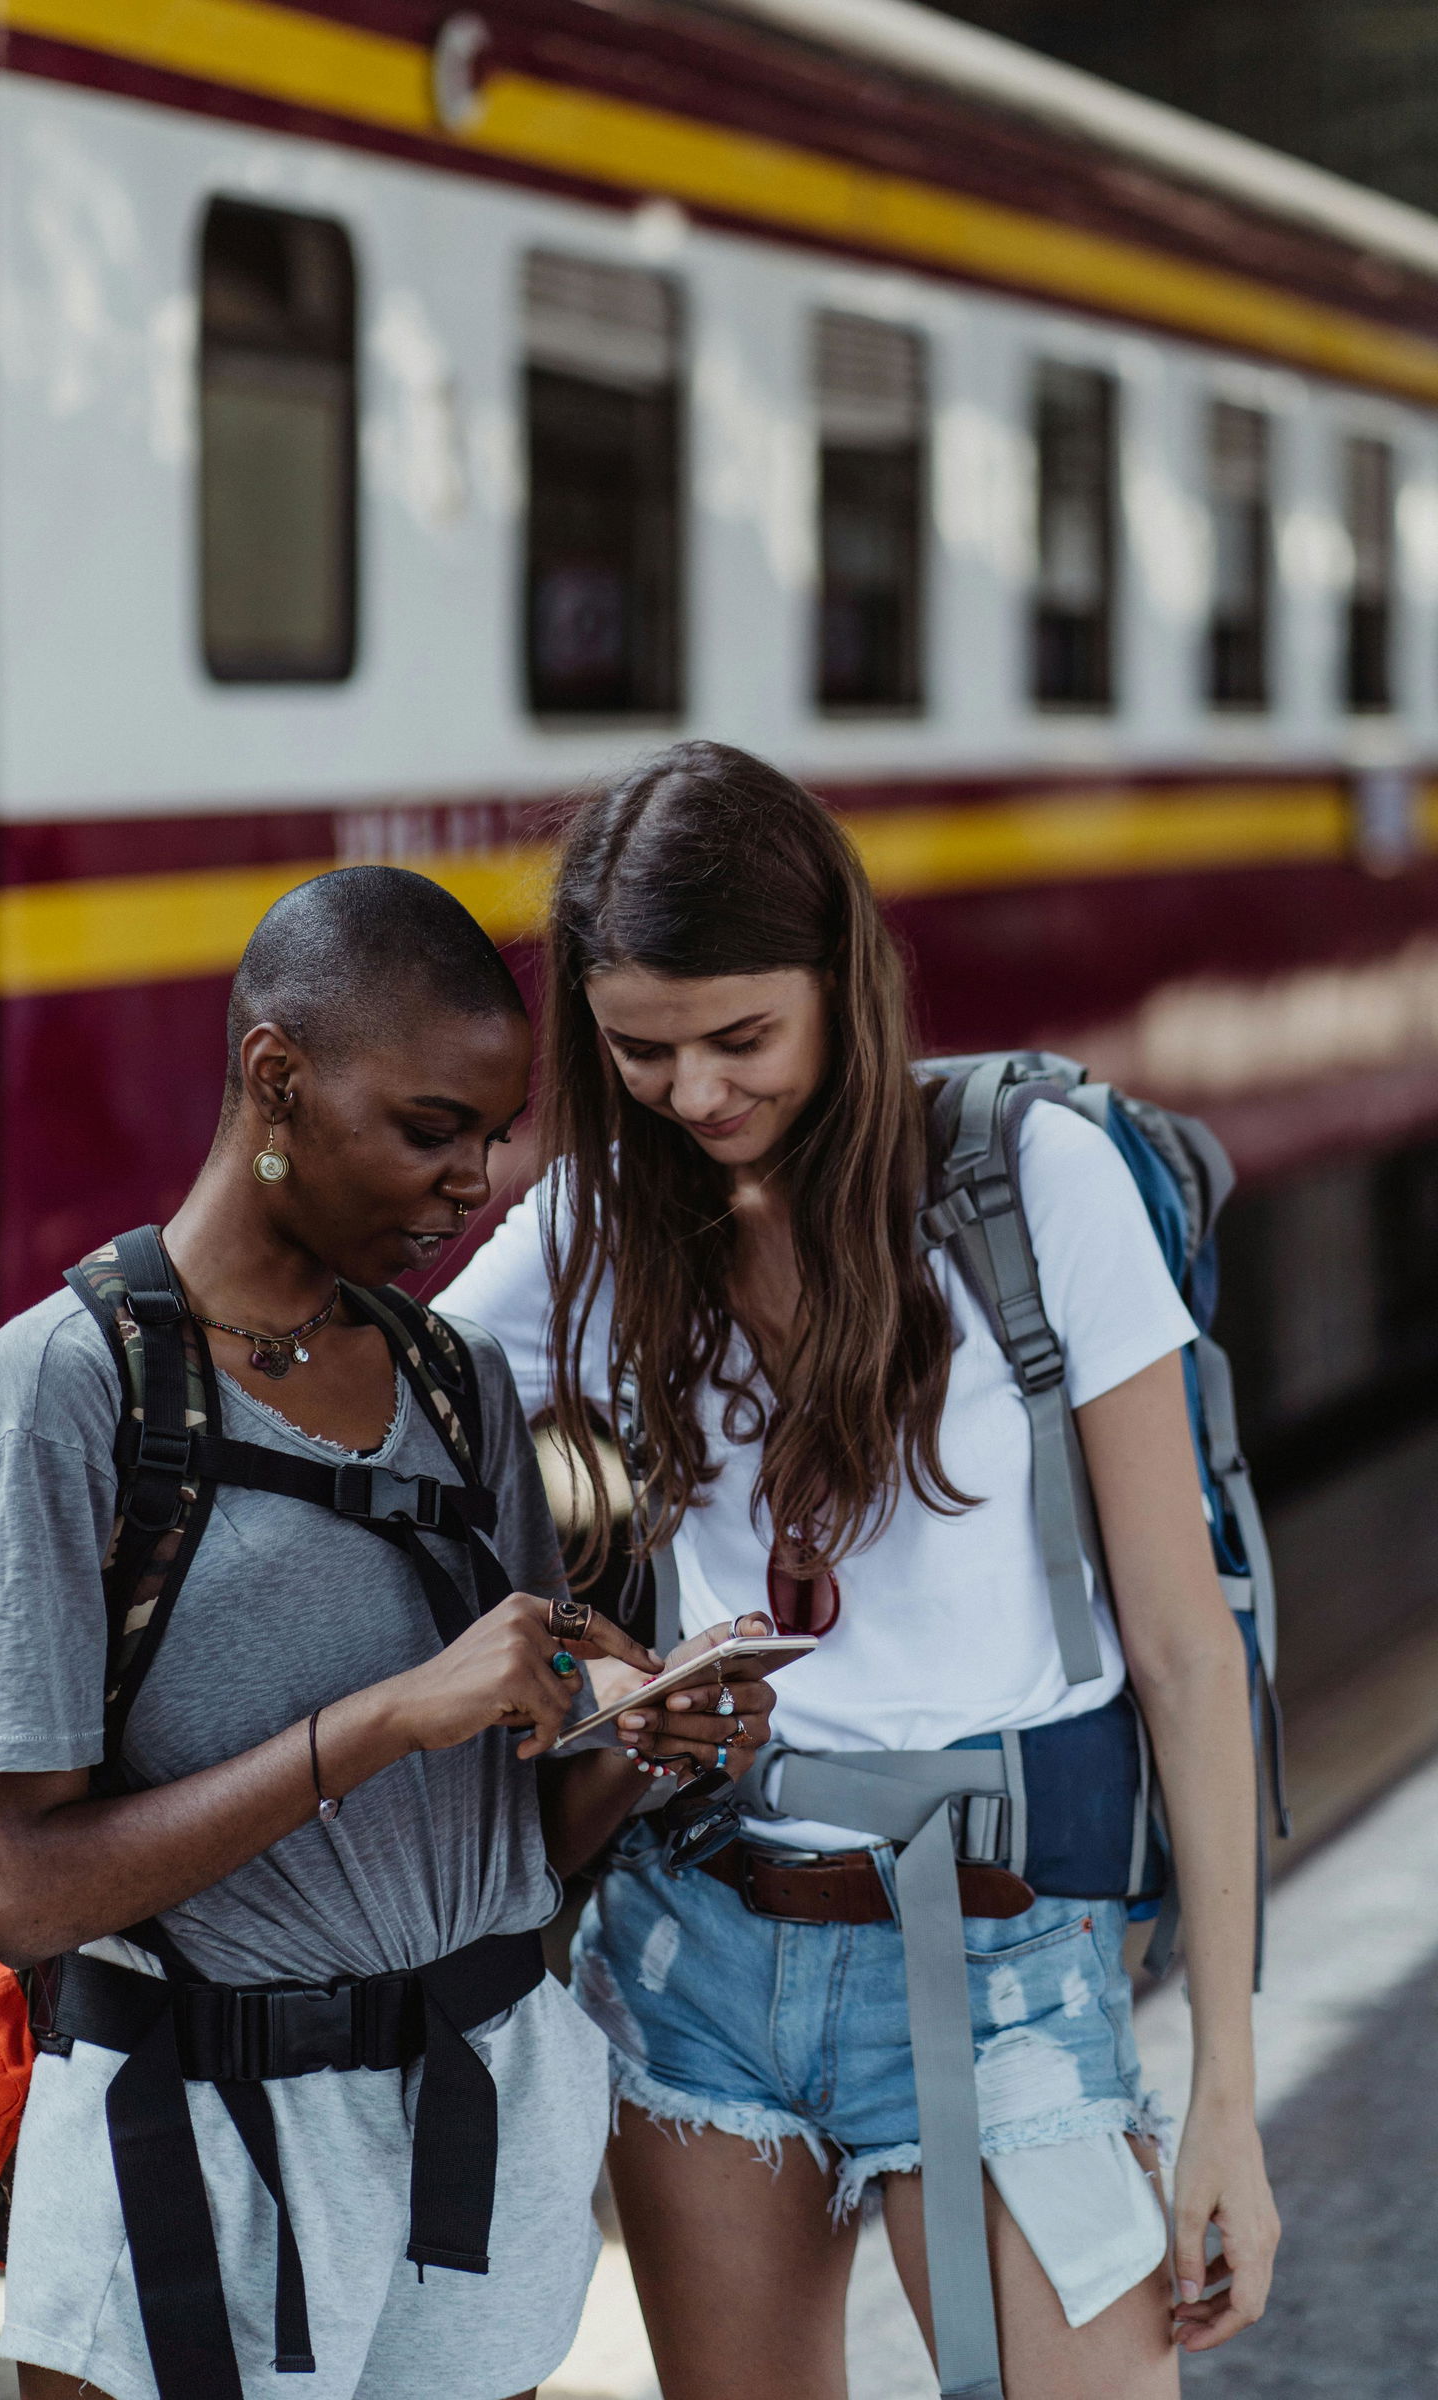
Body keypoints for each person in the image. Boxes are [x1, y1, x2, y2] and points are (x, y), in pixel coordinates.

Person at [442, 743, 1281, 2400]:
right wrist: (588, 1666)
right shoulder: (593, 1229)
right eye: (640, 1051)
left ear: (846, 981)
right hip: (696, 1959)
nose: (693, 1093)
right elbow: (375, 1418)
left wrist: (1226, 2107)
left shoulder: (1035, 1186)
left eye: (742, 1037)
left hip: (1008, 1961)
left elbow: (1190, 1656)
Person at [0, 864, 777, 2400]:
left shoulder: (455, 1383)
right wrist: (381, 1719)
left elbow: (510, 1838)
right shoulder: (68, 1385)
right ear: (277, 1080)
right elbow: (23, 1892)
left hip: (474, 2134)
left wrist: (646, 1751)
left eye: (492, 1137)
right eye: (429, 1132)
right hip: (192, 2154)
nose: (474, 1185)